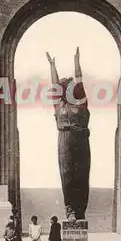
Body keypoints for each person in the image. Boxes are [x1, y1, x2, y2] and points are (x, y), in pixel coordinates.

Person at [46, 47, 91, 221]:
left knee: (83, 172)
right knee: (67, 173)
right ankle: (70, 209)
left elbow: (79, 80)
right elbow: (54, 85)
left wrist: (76, 61)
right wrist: (52, 66)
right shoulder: (59, 106)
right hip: (65, 138)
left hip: (81, 137)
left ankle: (81, 210)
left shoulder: (81, 103)